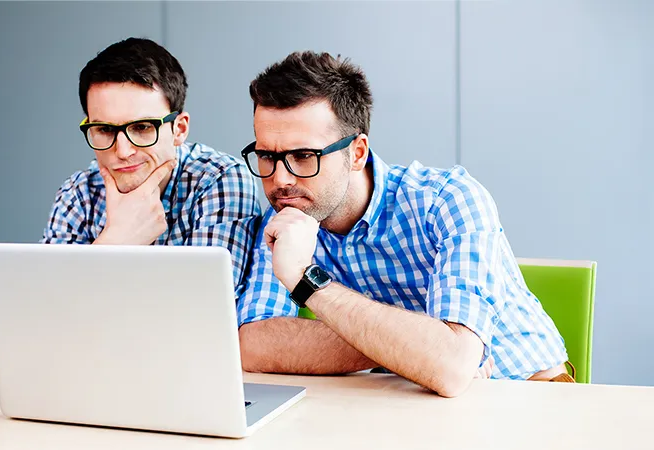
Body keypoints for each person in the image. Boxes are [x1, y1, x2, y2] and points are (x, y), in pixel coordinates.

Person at [236, 51, 571, 397]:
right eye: (266, 156)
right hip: (407, 401)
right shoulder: (286, 222)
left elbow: (451, 368)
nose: (279, 180)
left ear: (358, 152)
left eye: (304, 156)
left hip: (530, 394)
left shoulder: (448, 199)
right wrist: (410, 349)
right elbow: (252, 345)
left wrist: (308, 282)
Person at [42, 38, 261, 299]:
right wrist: (117, 241)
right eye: (104, 129)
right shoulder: (77, 193)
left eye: (142, 127)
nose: (122, 152)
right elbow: (49, 313)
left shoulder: (219, 180)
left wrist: (95, 273)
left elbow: (202, 311)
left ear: (179, 129)